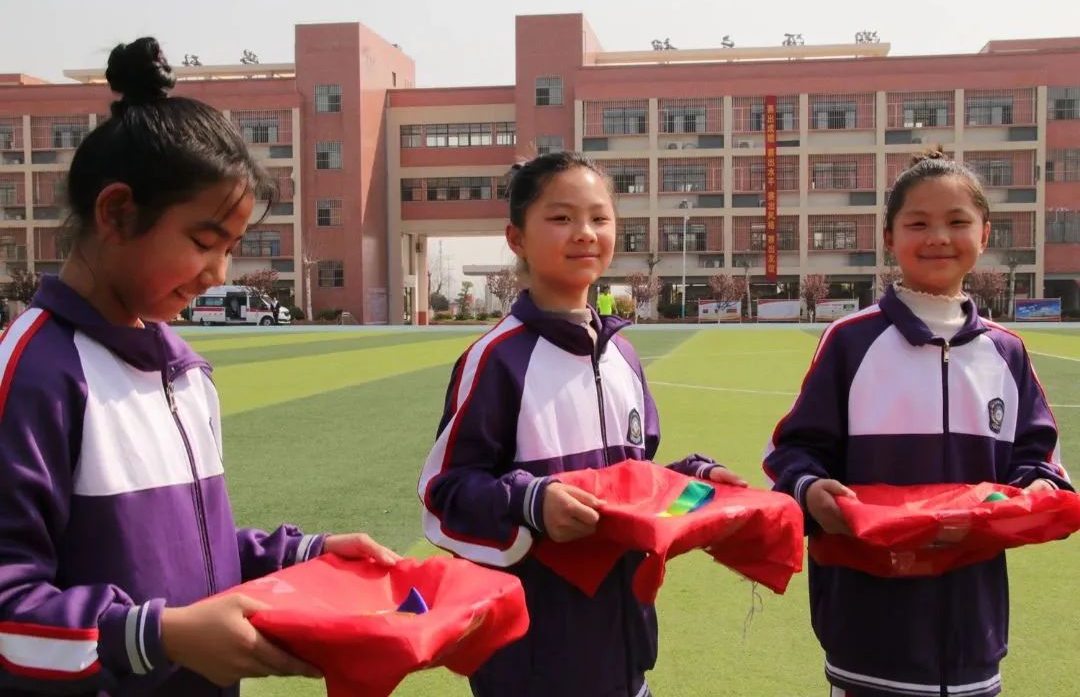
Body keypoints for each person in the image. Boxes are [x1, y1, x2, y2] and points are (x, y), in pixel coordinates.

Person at [0, 37, 400, 697]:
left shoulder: (185, 373)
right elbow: (11, 608)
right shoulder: (32, 374)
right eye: (203, 242)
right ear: (116, 212)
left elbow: (192, 553)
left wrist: (304, 556)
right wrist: (160, 637)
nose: (219, 273)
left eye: (232, 248)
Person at [418, 152, 745, 697]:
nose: (585, 233)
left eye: (599, 217)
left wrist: (695, 480)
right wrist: (531, 502)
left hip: (625, 650)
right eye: (561, 217)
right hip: (530, 664)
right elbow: (444, 493)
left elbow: (636, 485)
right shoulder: (497, 359)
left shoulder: (622, 356)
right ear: (516, 238)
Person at [762, 148, 1072, 697]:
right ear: (889, 237)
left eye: (957, 222)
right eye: (918, 223)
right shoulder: (851, 342)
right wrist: (810, 490)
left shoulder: (1006, 352)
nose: (939, 238)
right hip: (868, 629)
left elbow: (1038, 459)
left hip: (974, 632)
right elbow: (794, 452)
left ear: (984, 234)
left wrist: (1038, 490)